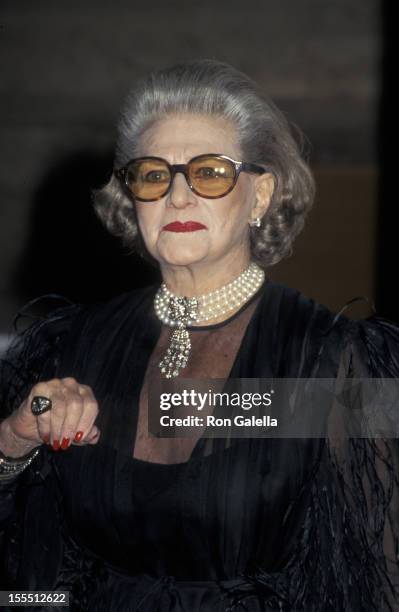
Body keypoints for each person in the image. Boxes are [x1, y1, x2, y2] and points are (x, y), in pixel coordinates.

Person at [0, 59, 399, 612]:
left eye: (210, 172)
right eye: (155, 175)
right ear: (132, 196)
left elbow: (381, 580)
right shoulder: (73, 342)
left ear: (259, 196)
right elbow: (25, 583)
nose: (178, 197)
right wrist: (14, 441)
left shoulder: (341, 360)